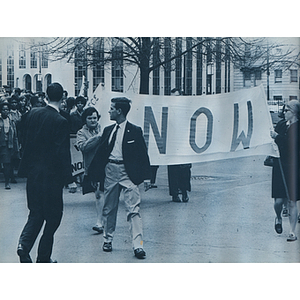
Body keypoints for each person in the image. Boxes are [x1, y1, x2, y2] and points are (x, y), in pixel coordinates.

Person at [88, 97, 151, 259]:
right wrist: (94, 176)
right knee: (109, 208)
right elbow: (100, 154)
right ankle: (107, 240)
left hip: (128, 173)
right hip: (110, 171)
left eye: (111, 108)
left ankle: (138, 246)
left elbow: (143, 155)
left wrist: (147, 177)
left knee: (134, 209)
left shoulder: (135, 131)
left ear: (119, 111)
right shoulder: (108, 131)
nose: (109, 111)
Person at [17, 82, 73, 263]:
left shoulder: (32, 113)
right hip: (51, 177)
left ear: (46, 96)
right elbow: (62, 153)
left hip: (33, 173)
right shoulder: (61, 121)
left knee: (35, 213)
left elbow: (21, 130)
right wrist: (69, 178)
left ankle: (24, 245)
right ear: (63, 97)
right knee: (53, 217)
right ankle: (43, 258)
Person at [270, 100, 300, 242]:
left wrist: (277, 137)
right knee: (278, 201)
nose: (284, 112)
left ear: (294, 113)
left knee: (292, 201)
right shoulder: (281, 125)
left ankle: (292, 232)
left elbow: (292, 144)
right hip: (279, 164)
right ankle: (278, 217)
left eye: (287, 110)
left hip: (293, 167)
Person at [76, 107, 104, 234]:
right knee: (98, 194)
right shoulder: (81, 133)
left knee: (107, 194)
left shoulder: (104, 129)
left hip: (107, 166)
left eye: (95, 118)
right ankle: (99, 221)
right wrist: (97, 138)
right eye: (90, 118)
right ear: (85, 119)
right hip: (93, 168)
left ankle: (103, 220)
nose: (93, 120)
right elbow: (83, 147)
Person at [167, 88, 192, 202]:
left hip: (183, 143)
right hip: (171, 144)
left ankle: (184, 191)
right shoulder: (168, 110)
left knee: (184, 170)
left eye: (176, 97)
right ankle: (175, 194)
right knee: (173, 170)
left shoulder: (186, 109)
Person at [0, 101, 19, 189]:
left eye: (7, 110)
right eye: (3, 110)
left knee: (7, 164)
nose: (5, 111)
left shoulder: (11, 121)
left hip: (7, 145)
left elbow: (15, 135)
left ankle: (7, 183)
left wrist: (16, 147)